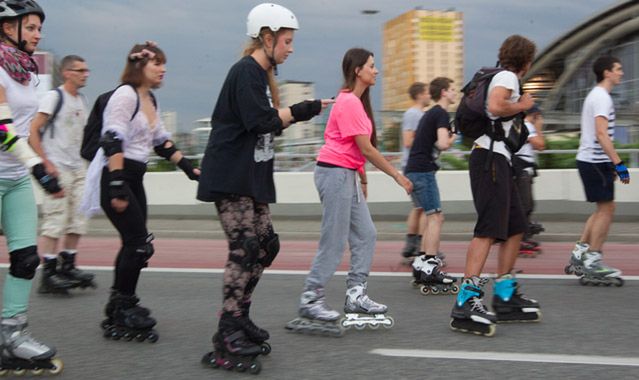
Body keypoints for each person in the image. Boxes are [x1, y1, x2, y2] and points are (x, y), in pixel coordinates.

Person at [197, 4, 330, 373]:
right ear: (267, 38)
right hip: (230, 175)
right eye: (287, 41)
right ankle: (226, 331)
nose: (291, 49)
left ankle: (240, 316)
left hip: (251, 178)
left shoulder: (260, 74)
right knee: (245, 248)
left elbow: (267, 124)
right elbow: (261, 122)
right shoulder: (246, 72)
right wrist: (303, 109)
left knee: (266, 246)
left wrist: (302, 110)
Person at [285, 47, 412, 336]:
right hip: (335, 174)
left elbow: (355, 148)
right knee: (334, 240)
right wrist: (396, 175)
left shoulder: (354, 102)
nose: (375, 70)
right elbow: (366, 148)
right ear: (358, 70)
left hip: (346, 174)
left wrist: (362, 179)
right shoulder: (349, 103)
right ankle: (311, 298)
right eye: (371, 65)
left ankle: (356, 295)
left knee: (366, 234)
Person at [82, 41, 199, 343]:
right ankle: (120, 306)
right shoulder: (125, 95)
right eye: (156, 63)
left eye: (163, 63)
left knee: (136, 243)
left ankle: (122, 302)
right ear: (139, 66)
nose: (163, 69)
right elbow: (112, 139)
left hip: (135, 177)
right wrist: (118, 183)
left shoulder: (150, 100)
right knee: (137, 244)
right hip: (116, 174)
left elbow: (161, 141)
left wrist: (188, 167)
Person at [450, 35, 541, 337]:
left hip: (497, 159)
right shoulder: (507, 77)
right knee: (488, 229)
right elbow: (495, 104)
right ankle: (466, 299)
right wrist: (523, 104)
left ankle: (503, 292)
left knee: (516, 227)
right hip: (488, 159)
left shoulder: (503, 76)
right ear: (526, 62)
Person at [0, 0, 63, 374]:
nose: (38, 35)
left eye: (40, 28)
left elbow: (25, 129)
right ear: (9, 27)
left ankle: (11, 337)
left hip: (15, 179)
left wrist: (42, 161)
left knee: (25, 259)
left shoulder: (25, 72)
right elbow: (3, 129)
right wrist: (38, 167)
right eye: (32, 27)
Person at [28, 54, 95, 293]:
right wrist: (45, 162)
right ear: (67, 72)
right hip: (57, 167)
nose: (85, 74)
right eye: (80, 70)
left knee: (77, 219)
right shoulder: (54, 97)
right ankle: (48, 274)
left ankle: (68, 265)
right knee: (55, 221)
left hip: (79, 168)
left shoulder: (82, 100)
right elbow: (33, 130)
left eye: (86, 70)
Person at [565, 55, 628, 286]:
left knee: (602, 208)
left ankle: (581, 253)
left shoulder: (597, 95)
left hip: (591, 160)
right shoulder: (602, 98)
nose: (622, 72)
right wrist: (618, 164)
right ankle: (593, 260)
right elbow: (602, 134)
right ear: (607, 72)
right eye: (618, 69)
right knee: (607, 209)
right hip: (595, 161)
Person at [405, 77, 458, 295]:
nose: (456, 93)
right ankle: (430, 266)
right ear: (444, 92)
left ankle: (421, 264)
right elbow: (443, 144)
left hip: (415, 169)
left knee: (430, 216)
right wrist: (455, 136)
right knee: (436, 217)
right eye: (453, 89)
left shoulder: (432, 113)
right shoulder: (441, 113)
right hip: (423, 171)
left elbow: (435, 143)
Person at [399, 82, 429, 263]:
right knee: (427, 208)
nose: (429, 95)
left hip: (415, 165)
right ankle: (423, 246)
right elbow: (408, 141)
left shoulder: (419, 114)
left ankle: (411, 245)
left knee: (418, 207)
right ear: (419, 95)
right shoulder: (413, 114)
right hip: (415, 165)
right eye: (426, 92)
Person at [513, 105, 545, 257]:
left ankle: (522, 236)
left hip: (524, 171)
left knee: (527, 205)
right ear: (535, 115)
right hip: (522, 172)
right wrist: (538, 128)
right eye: (539, 117)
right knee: (524, 206)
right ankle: (519, 239)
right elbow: (540, 145)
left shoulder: (522, 125)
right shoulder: (527, 126)